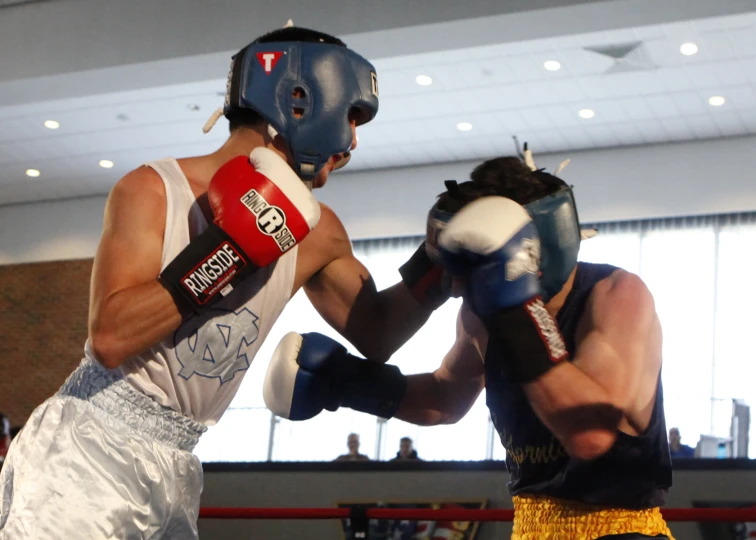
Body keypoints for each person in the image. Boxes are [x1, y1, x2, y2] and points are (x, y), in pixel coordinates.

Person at [0, 25, 448, 540]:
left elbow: (378, 333)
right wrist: (230, 251)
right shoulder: (155, 189)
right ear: (300, 101)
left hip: (178, 461)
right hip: (88, 448)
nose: (352, 140)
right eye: (351, 115)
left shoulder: (319, 231)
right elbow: (110, 339)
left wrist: (438, 267)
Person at [265, 151, 675, 539]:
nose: (457, 289)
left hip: (623, 530)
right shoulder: (483, 316)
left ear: (530, 250)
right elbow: (445, 396)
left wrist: (516, 309)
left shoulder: (617, 296)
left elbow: (591, 434)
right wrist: (349, 383)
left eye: (469, 269)